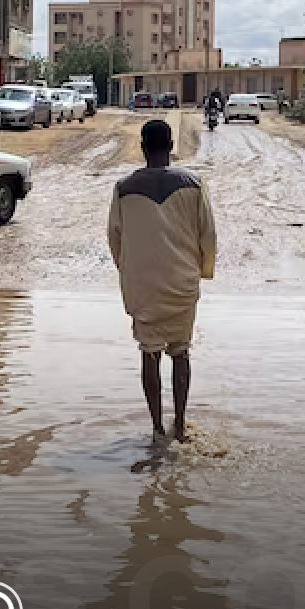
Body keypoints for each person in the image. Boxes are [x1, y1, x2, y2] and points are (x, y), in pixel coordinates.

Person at [107, 119, 217, 443]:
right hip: (182, 284)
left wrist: (130, 271)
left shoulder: (123, 188)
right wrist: (203, 272)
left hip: (143, 286)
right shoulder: (195, 184)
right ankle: (180, 427)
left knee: (149, 353)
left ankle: (157, 430)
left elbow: (115, 238)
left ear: (142, 148)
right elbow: (208, 236)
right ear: (171, 147)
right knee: (181, 353)